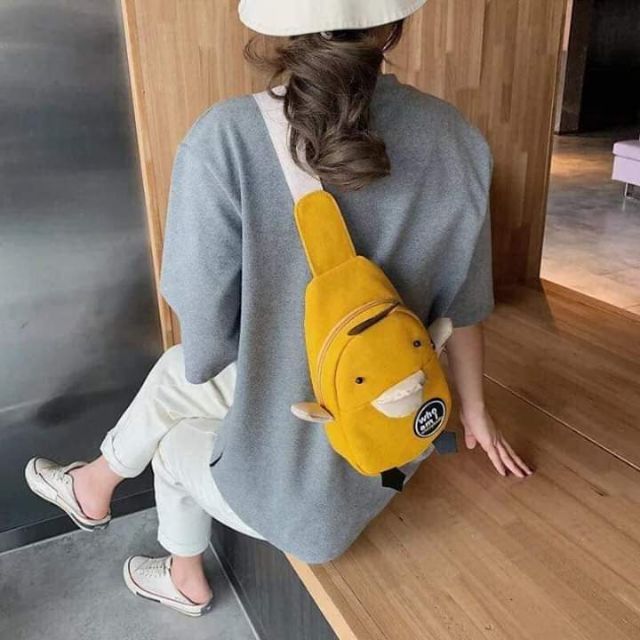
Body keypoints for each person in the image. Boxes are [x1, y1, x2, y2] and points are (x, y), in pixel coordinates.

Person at [25, 0, 532, 618]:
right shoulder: (457, 138)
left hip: (299, 504)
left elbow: (207, 348)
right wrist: (475, 412)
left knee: (174, 432)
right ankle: (91, 486)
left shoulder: (225, 139)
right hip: (392, 450)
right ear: (391, 23)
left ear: (275, 24)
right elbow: (466, 305)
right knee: (176, 375)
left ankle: (182, 575)